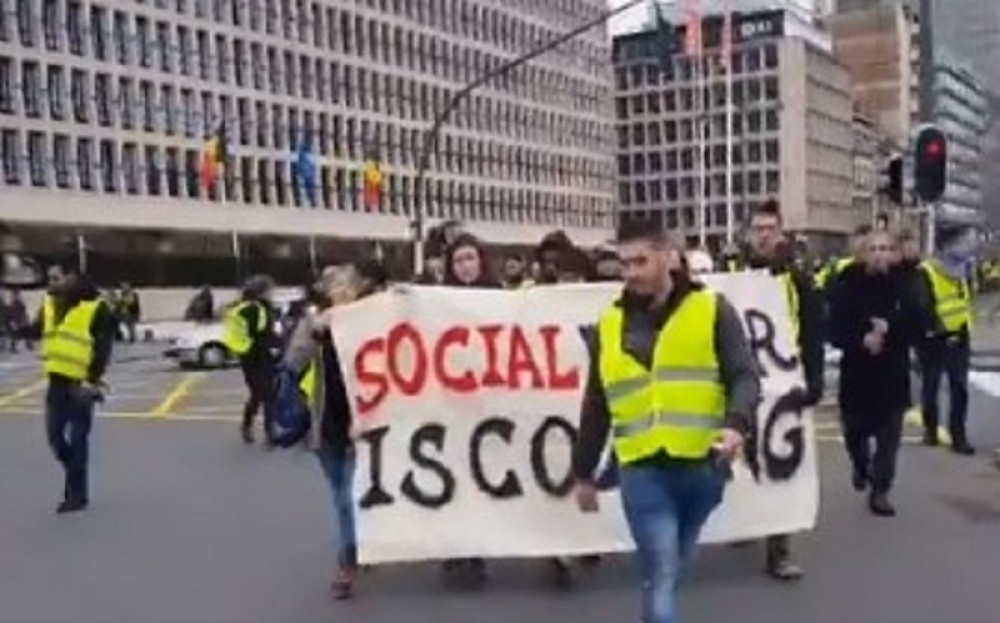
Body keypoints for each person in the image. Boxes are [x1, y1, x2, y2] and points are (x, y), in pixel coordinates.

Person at [572, 221, 760, 623]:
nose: (631, 272)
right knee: (662, 570)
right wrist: (583, 472)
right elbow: (597, 403)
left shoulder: (712, 310)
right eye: (624, 263)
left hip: (702, 467)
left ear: (669, 256)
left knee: (673, 568)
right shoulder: (609, 324)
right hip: (641, 469)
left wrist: (735, 424)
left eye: (640, 260)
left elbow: (744, 376)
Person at [287, 264, 384, 599]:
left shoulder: (370, 323)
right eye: (335, 287)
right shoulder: (317, 325)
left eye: (348, 287)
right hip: (326, 426)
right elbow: (293, 362)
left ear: (357, 291)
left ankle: (348, 561)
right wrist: (312, 331)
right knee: (340, 497)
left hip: (362, 426)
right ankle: (356, 549)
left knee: (349, 497)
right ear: (327, 293)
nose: (341, 293)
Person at [741, 200, 825, 580]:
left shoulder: (797, 277)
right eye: (757, 228)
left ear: (780, 232)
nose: (763, 235)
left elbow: (812, 331)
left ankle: (779, 550)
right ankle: (743, 524)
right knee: (740, 460)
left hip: (784, 380)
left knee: (782, 464)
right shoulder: (731, 272)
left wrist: (815, 378)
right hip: (740, 380)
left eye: (769, 228)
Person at [828, 231, 918, 516]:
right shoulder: (847, 285)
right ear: (863, 253)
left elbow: (919, 325)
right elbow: (833, 330)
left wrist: (890, 332)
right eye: (874, 248)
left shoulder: (905, 287)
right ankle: (860, 464)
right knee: (855, 432)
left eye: (887, 248)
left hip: (892, 376)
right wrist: (861, 339)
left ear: (895, 253)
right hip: (857, 376)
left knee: (889, 438)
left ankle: (880, 490)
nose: (880, 254)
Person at [40, 272, 116, 513]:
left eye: (65, 281)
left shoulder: (97, 309)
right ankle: (75, 473)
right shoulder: (51, 304)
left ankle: (76, 494)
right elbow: (35, 329)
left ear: (81, 287)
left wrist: (92, 380)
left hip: (80, 384)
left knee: (78, 438)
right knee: (54, 437)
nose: (60, 283)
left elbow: (103, 348)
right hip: (56, 381)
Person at [914, 227, 977, 454]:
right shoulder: (927, 271)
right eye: (962, 242)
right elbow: (923, 304)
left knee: (959, 387)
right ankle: (931, 428)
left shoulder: (964, 269)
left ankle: (958, 434)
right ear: (946, 245)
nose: (967, 246)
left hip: (960, 334)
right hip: (934, 338)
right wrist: (935, 329)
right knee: (931, 385)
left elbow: (964, 300)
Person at [223, 275, 280, 446]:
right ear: (262, 292)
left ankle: (247, 426)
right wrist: (280, 343)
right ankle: (270, 432)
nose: (272, 293)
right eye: (270, 290)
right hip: (255, 355)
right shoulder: (254, 309)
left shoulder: (250, 307)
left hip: (249, 355)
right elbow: (260, 334)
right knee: (267, 394)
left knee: (258, 394)